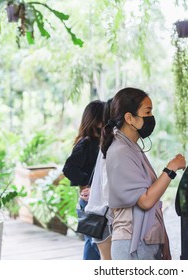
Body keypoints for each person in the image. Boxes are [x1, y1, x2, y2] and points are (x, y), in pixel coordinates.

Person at [101, 87, 186, 260]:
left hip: (145, 242)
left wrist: (164, 243)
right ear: (129, 118)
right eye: (147, 112)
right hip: (132, 244)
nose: (151, 117)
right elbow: (146, 201)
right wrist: (171, 168)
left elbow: (153, 204)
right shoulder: (120, 151)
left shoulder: (132, 148)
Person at [62, 100, 107, 260]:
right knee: (93, 243)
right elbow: (68, 168)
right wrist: (89, 183)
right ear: (97, 118)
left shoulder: (97, 142)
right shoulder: (86, 143)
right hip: (89, 202)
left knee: (94, 242)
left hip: (92, 200)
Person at [84, 98, 113, 260]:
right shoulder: (88, 143)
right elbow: (69, 169)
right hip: (99, 210)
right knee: (91, 247)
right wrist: (85, 184)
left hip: (97, 206)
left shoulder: (105, 142)